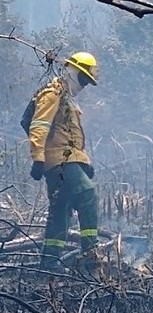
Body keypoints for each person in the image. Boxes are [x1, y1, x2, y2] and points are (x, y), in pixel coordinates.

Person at [28, 52, 100, 270]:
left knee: (61, 209)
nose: (84, 84)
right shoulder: (52, 94)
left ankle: (50, 262)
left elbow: (70, 135)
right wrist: (38, 158)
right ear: (72, 70)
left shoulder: (67, 98)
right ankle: (90, 253)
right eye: (83, 78)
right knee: (87, 196)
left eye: (88, 81)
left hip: (68, 161)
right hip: (60, 162)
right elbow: (39, 126)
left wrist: (84, 163)